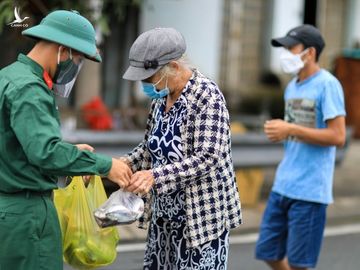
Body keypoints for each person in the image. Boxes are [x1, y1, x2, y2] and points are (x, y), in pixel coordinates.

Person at [0, 10, 132, 270]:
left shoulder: (8, 76)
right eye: (79, 59)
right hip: (27, 214)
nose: (77, 67)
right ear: (63, 51)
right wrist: (105, 165)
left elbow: (17, 144)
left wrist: (69, 153)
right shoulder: (31, 89)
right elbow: (45, 153)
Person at [121, 27, 242, 269]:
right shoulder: (161, 98)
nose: (145, 85)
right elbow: (150, 146)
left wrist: (154, 176)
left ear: (174, 67)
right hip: (164, 218)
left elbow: (208, 157)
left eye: (149, 78)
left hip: (200, 219)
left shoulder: (207, 96)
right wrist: (124, 162)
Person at [255, 25, 346, 270]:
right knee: (268, 251)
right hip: (284, 184)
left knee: (299, 263)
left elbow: (338, 136)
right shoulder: (292, 86)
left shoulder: (328, 85)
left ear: (310, 52)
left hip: (310, 190)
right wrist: (284, 130)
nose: (285, 53)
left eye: (290, 48)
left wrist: (290, 129)